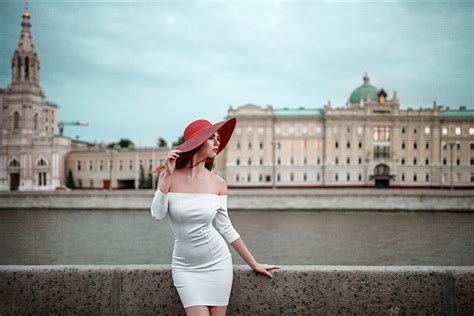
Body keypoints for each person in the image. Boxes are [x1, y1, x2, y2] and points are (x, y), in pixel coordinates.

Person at [150, 117, 280, 316]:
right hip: (185, 267)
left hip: (217, 264)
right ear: (197, 142)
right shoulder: (170, 176)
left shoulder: (218, 183)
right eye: (212, 138)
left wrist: (254, 264)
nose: (218, 143)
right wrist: (166, 176)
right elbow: (157, 214)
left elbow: (226, 228)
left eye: (218, 138)